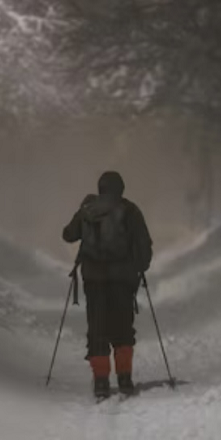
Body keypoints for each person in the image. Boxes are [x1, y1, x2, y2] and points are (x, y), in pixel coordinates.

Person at [62, 171, 153, 399]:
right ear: (121, 188)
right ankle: (124, 378)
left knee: (97, 327)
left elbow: (68, 235)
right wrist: (141, 267)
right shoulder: (130, 210)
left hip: (94, 279)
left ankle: (101, 381)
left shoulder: (88, 209)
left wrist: (81, 214)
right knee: (123, 326)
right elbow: (143, 242)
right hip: (123, 279)